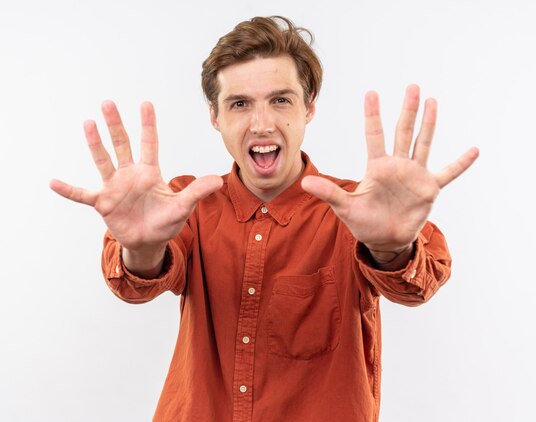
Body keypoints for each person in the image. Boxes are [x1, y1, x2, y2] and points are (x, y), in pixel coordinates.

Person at [50, 16, 478, 422]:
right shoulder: (184, 205)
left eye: (280, 100)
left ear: (308, 107)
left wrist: (390, 248)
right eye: (239, 104)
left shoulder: (357, 209)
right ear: (215, 117)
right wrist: (142, 247)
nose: (262, 123)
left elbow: (417, 286)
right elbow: (136, 283)